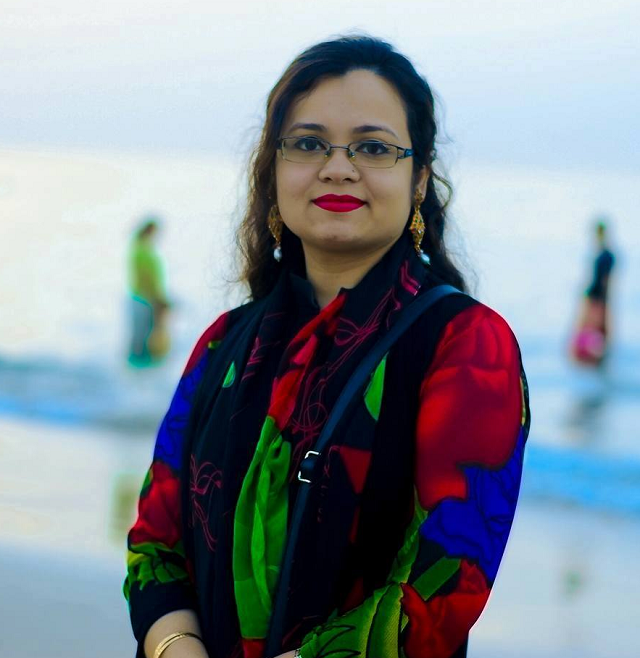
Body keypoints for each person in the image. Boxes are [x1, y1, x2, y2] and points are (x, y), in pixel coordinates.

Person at [124, 36, 531, 658]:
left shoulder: (467, 345)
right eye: (309, 144)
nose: (338, 168)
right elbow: (155, 545)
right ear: (274, 170)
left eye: (374, 147)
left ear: (419, 178)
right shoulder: (223, 344)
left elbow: (445, 586)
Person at [571, 218, 616, 365]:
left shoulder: (606, 255)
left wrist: (601, 298)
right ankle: (593, 356)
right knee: (594, 329)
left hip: (597, 296)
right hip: (596, 294)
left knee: (593, 327)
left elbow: (605, 280)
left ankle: (592, 356)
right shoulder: (603, 254)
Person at [128, 217, 171, 366]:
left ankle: (142, 361)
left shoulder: (142, 248)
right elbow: (148, 277)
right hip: (144, 297)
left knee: (145, 330)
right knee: (143, 331)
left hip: (144, 296)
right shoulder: (142, 250)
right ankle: (139, 362)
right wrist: (157, 297)